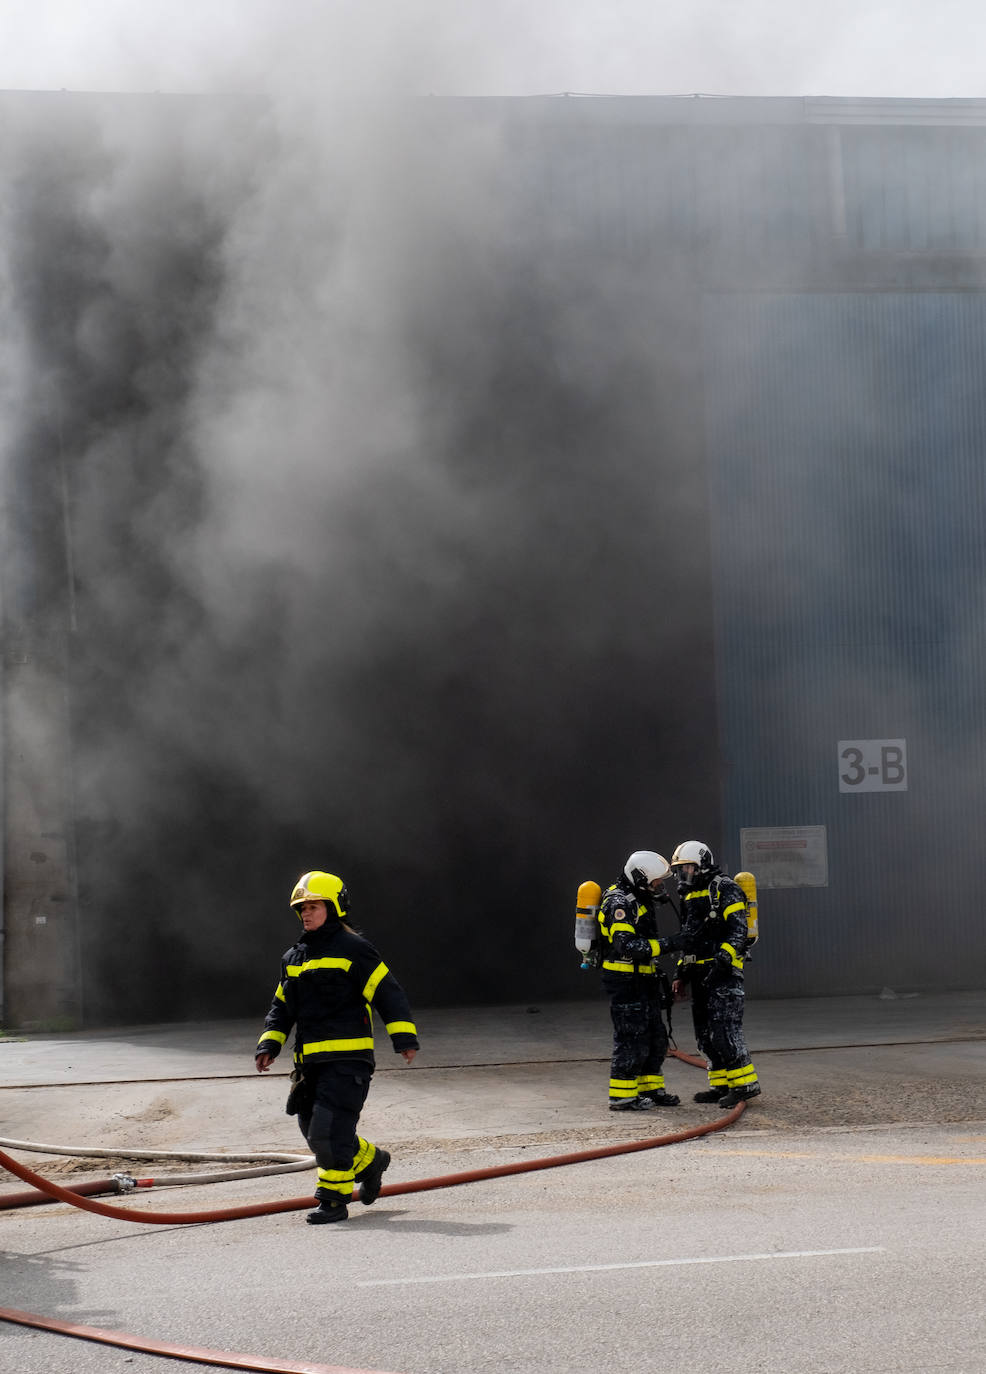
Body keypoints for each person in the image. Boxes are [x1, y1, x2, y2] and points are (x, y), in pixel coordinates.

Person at [255, 870, 419, 1224]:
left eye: (313, 906)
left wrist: (403, 1037)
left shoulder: (355, 950)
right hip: (310, 1064)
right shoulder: (293, 958)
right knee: (315, 1131)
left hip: (349, 1062)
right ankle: (371, 1161)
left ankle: (333, 1201)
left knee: (326, 1133)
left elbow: (387, 991)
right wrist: (270, 1042)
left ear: (334, 907)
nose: (306, 913)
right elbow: (281, 1007)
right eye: (302, 908)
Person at [669, 841, 760, 1108]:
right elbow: (690, 940)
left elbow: (739, 930)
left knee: (725, 1031)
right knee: (705, 1035)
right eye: (679, 869)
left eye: (686, 867)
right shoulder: (688, 897)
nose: (682, 874)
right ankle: (720, 1084)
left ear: (702, 864)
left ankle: (744, 1086)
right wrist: (681, 974)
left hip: (723, 974)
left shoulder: (725, 888)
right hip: (699, 974)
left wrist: (723, 957)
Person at [598, 850, 683, 1112]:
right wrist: (671, 943)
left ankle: (651, 1090)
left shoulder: (640, 899)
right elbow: (627, 946)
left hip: (643, 979)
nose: (660, 887)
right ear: (639, 878)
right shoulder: (618, 902)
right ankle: (622, 1096)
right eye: (656, 882)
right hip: (625, 980)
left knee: (655, 1037)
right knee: (631, 1037)